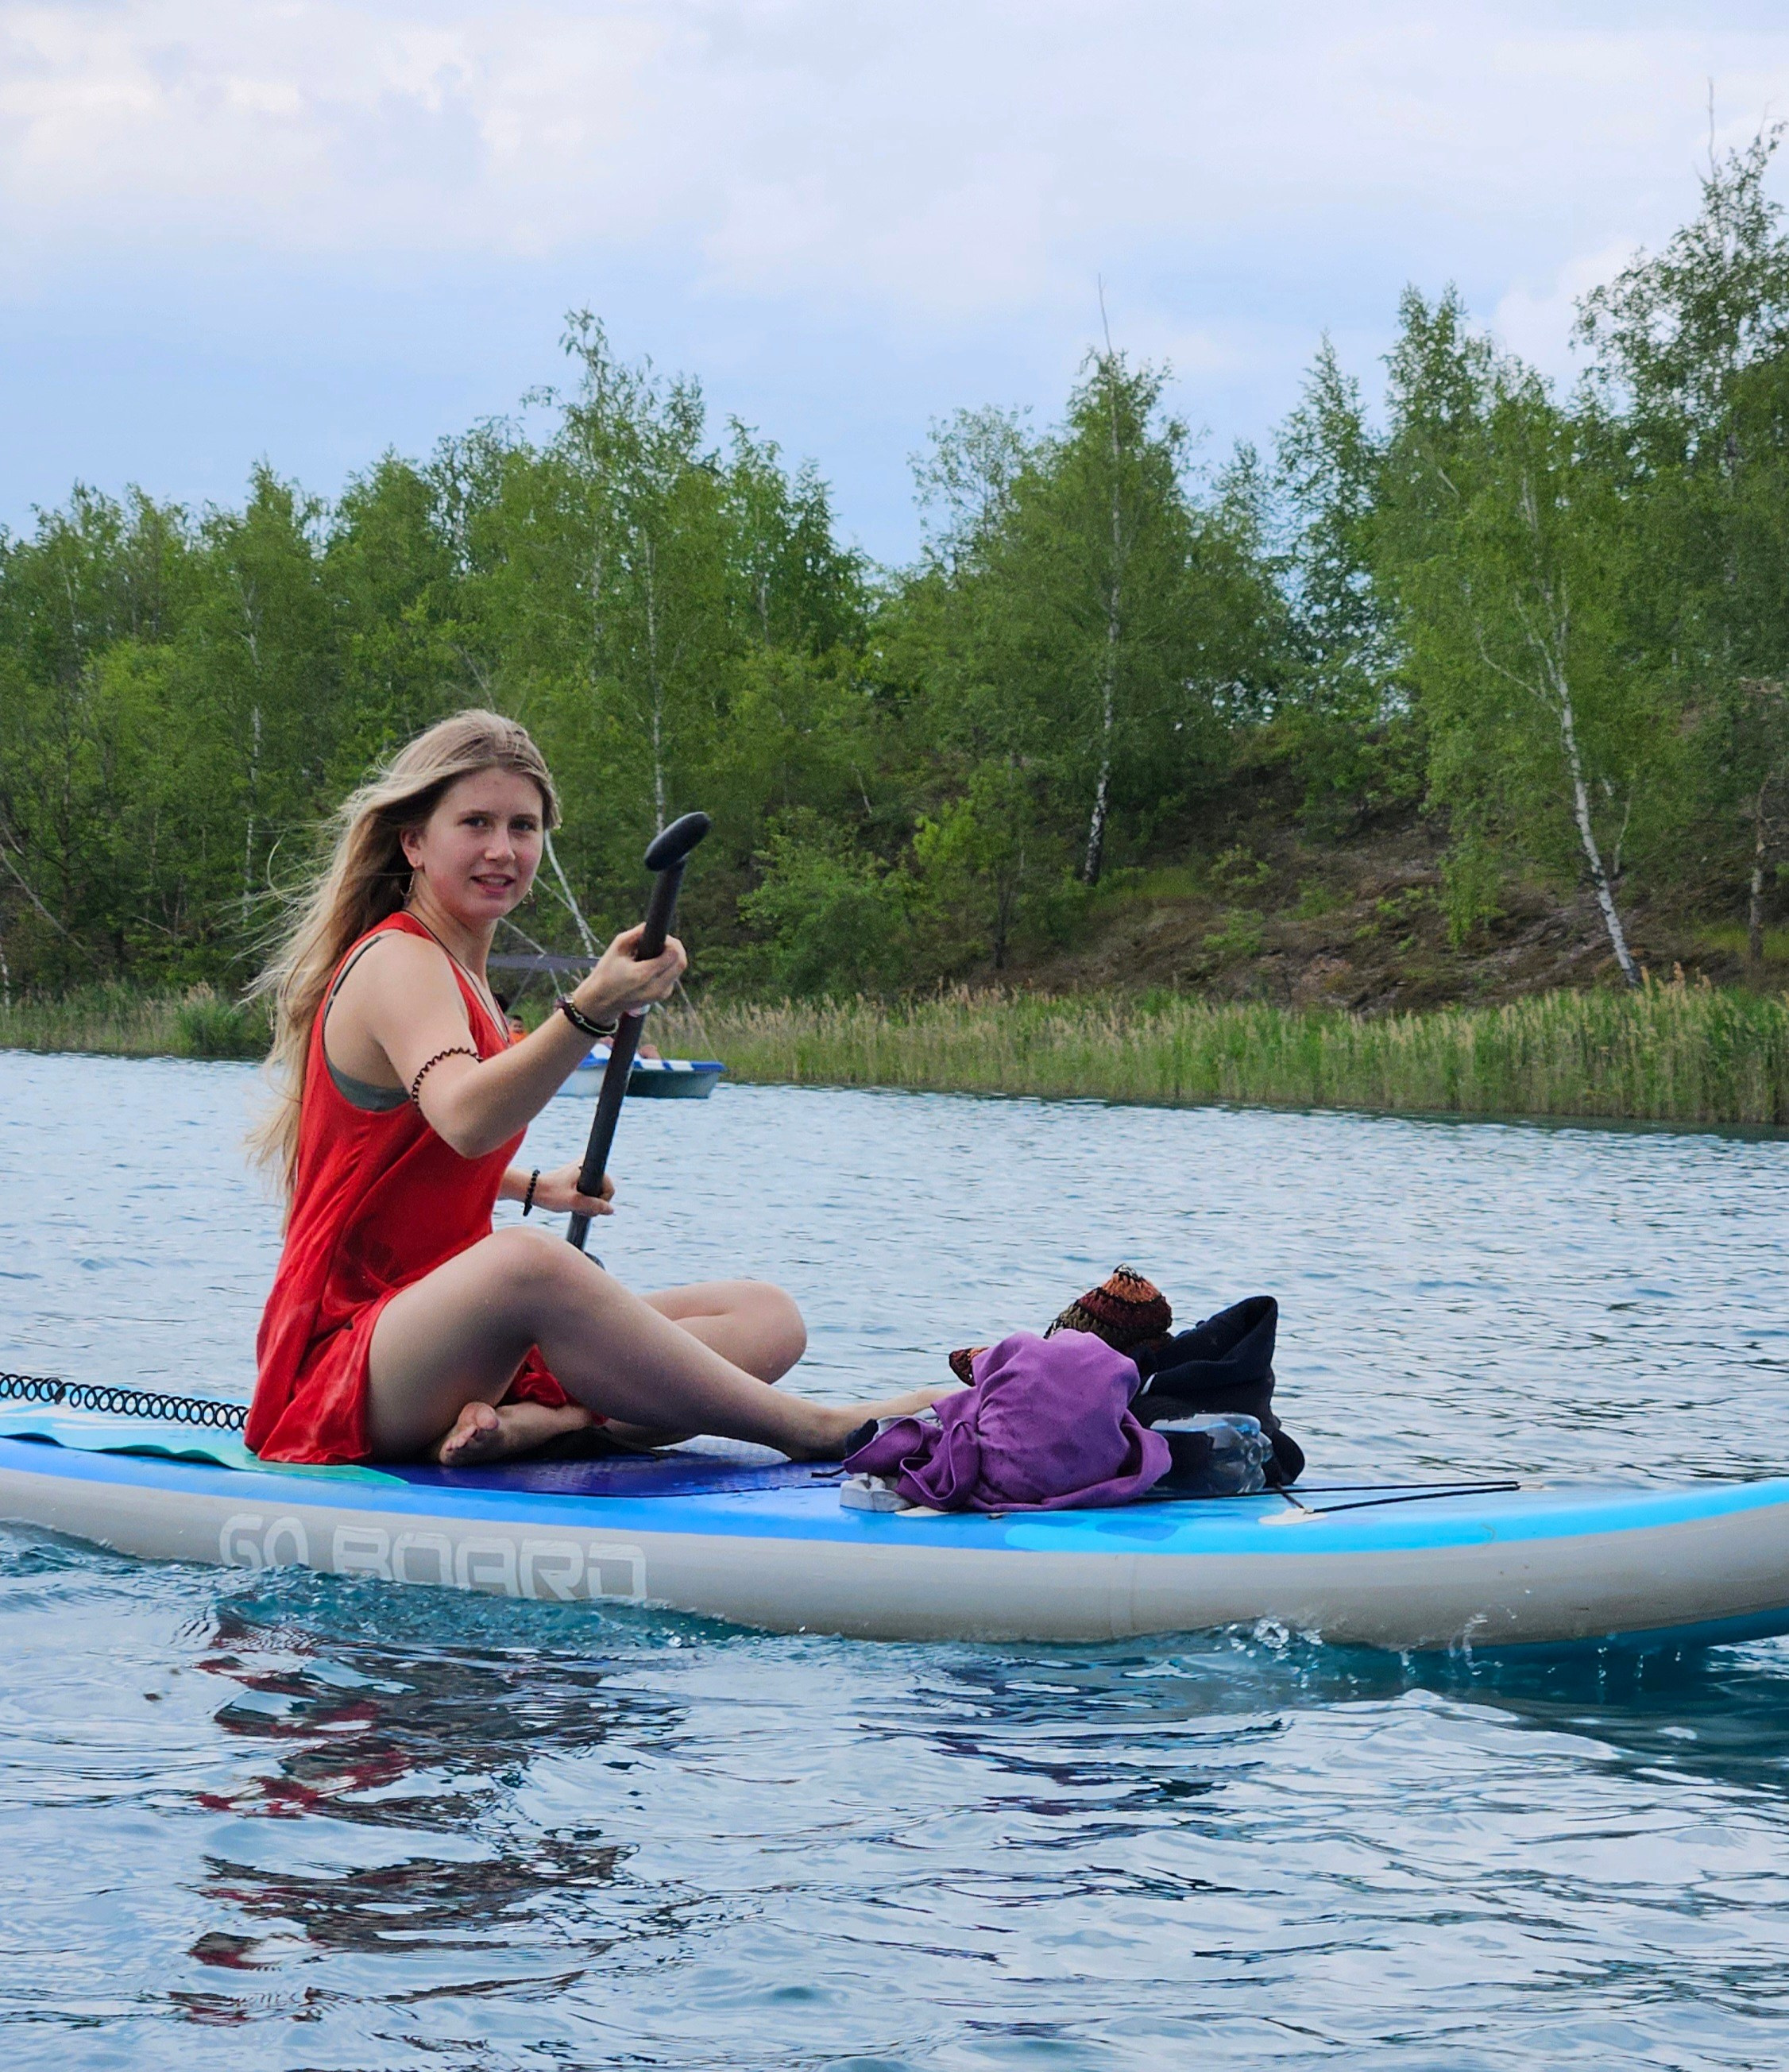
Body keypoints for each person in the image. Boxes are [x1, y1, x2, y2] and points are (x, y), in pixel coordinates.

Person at [246, 709, 945, 1469]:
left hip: (463, 1341)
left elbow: (396, 1153)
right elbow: (462, 1117)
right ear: (413, 841)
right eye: (474, 823)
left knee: (766, 1316)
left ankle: (545, 1424)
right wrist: (591, 1009)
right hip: (348, 1366)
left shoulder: (467, 974)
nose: (501, 849)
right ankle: (816, 1429)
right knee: (530, 1263)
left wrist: (529, 1185)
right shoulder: (398, 960)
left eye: (523, 826)